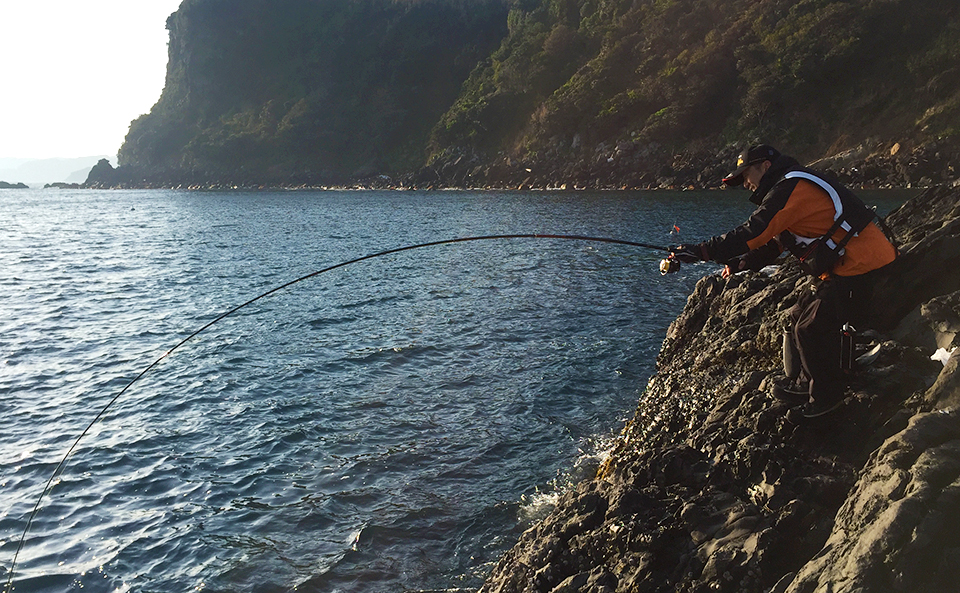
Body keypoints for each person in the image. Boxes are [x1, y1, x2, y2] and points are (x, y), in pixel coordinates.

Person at [670, 145, 897, 417]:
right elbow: (778, 240)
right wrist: (743, 262)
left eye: (746, 175)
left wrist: (702, 250)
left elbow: (755, 231)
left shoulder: (790, 187)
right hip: (845, 265)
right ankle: (805, 383)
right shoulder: (788, 187)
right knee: (798, 315)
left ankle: (827, 398)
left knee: (810, 328)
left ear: (765, 166)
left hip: (863, 264)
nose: (745, 183)